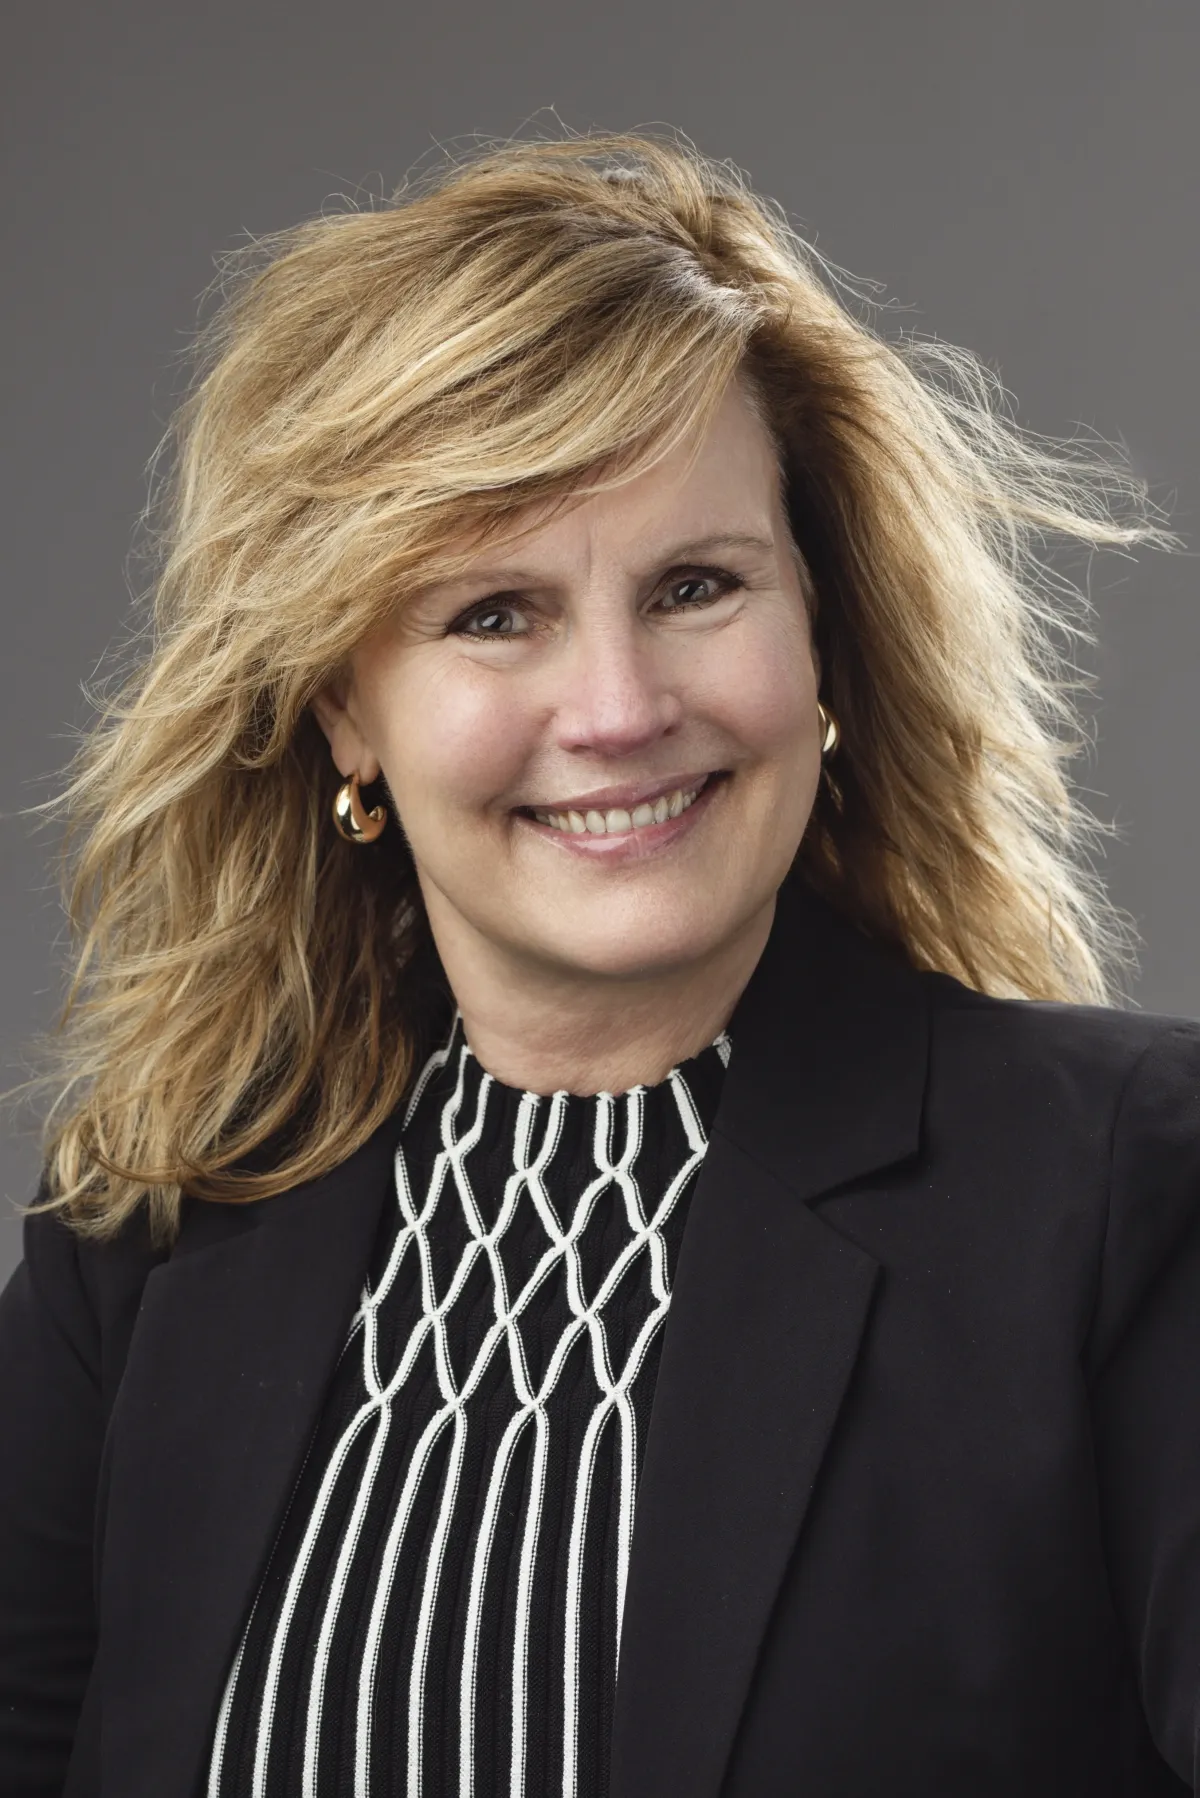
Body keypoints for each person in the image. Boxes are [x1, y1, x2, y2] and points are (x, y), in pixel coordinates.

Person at [0, 129, 1197, 1798]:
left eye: (697, 585)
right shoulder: (139, 1242)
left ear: (824, 639)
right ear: (345, 703)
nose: (621, 709)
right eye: (493, 612)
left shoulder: (1131, 1188)